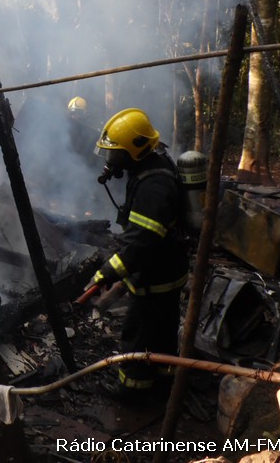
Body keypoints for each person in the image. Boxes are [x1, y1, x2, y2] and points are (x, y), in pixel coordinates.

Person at [85, 108, 188, 402]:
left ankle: (133, 392)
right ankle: (163, 382)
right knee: (163, 333)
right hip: (168, 268)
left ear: (136, 150)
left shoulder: (153, 186)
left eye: (115, 153)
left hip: (156, 275)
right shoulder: (152, 165)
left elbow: (142, 242)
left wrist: (106, 272)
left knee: (139, 334)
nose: (110, 160)